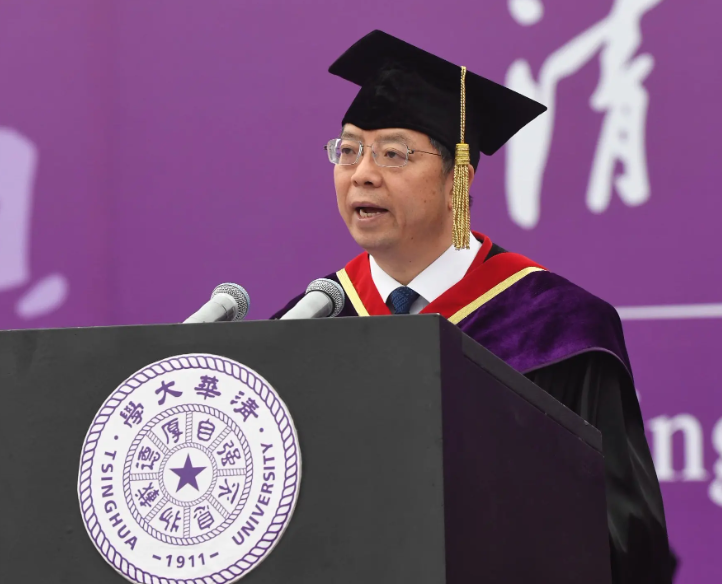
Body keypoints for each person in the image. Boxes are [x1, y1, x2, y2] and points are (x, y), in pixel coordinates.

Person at [273, 30, 677, 583]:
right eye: (348, 151)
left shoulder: (558, 329)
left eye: (393, 154)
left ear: (457, 179)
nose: (362, 173)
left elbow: (625, 538)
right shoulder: (303, 327)